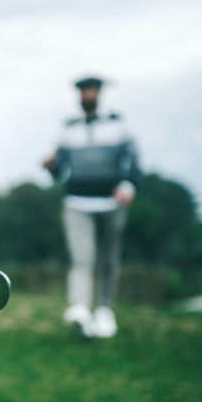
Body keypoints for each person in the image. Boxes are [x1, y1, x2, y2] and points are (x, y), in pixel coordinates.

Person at [43, 76, 141, 338]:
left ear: (98, 93)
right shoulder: (68, 127)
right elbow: (58, 170)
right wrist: (50, 165)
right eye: (82, 91)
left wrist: (128, 186)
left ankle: (104, 311)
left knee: (109, 259)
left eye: (90, 90)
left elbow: (133, 162)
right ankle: (80, 310)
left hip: (112, 200)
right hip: (77, 201)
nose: (86, 95)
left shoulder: (118, 124)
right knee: (82, 258)